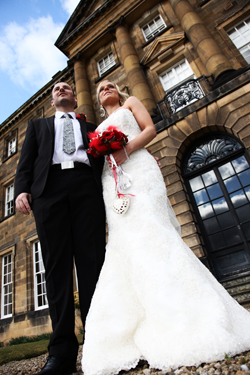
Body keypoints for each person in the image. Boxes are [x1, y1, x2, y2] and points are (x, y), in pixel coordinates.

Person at [81, 80, 250, 375]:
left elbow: (150, 129)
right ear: (96, 99)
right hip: (113, 182)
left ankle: (183, 316)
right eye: (100, 89)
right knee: (126, 244)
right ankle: (133, 326)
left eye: (110, 84)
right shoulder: (96, 128)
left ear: (118, 90)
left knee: (154, 232)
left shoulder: (131, 102)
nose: (105, 88)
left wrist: (127, 149)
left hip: (139, 169)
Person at [15, 82, 106, 375]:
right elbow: (25, 163)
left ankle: (99, 345)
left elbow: (107, 160)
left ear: (75, 99)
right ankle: (62, 353)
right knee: (56, 267)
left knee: (93, 262)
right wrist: (21, 190)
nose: (61, 89)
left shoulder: (91, 126)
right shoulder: (38, 126)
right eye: (56, 89)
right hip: (48, 191)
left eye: (67, 87)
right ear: (52, 101)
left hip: (86, 188)